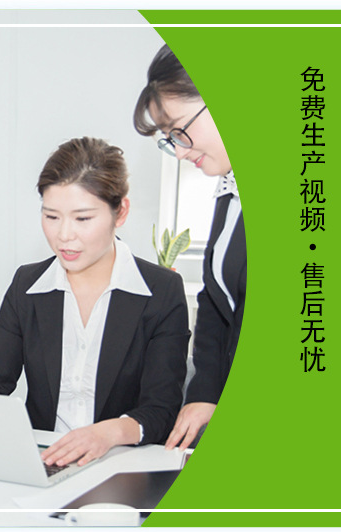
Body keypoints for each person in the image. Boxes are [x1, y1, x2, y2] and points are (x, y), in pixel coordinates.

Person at [0, 137, 190, 467]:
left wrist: (107, 433)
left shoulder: (161, 291)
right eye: (52, 216)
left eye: (82, 219)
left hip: (122, 463)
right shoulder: (26, 285)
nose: (64, 235)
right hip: (44, 460)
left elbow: (161, 409)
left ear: (121, 212)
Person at [132, 44, 244, 451]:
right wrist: (205, 392)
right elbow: (216, 300)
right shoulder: (229, 190)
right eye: (169, 139)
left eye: (179, 130)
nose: (179, 151)